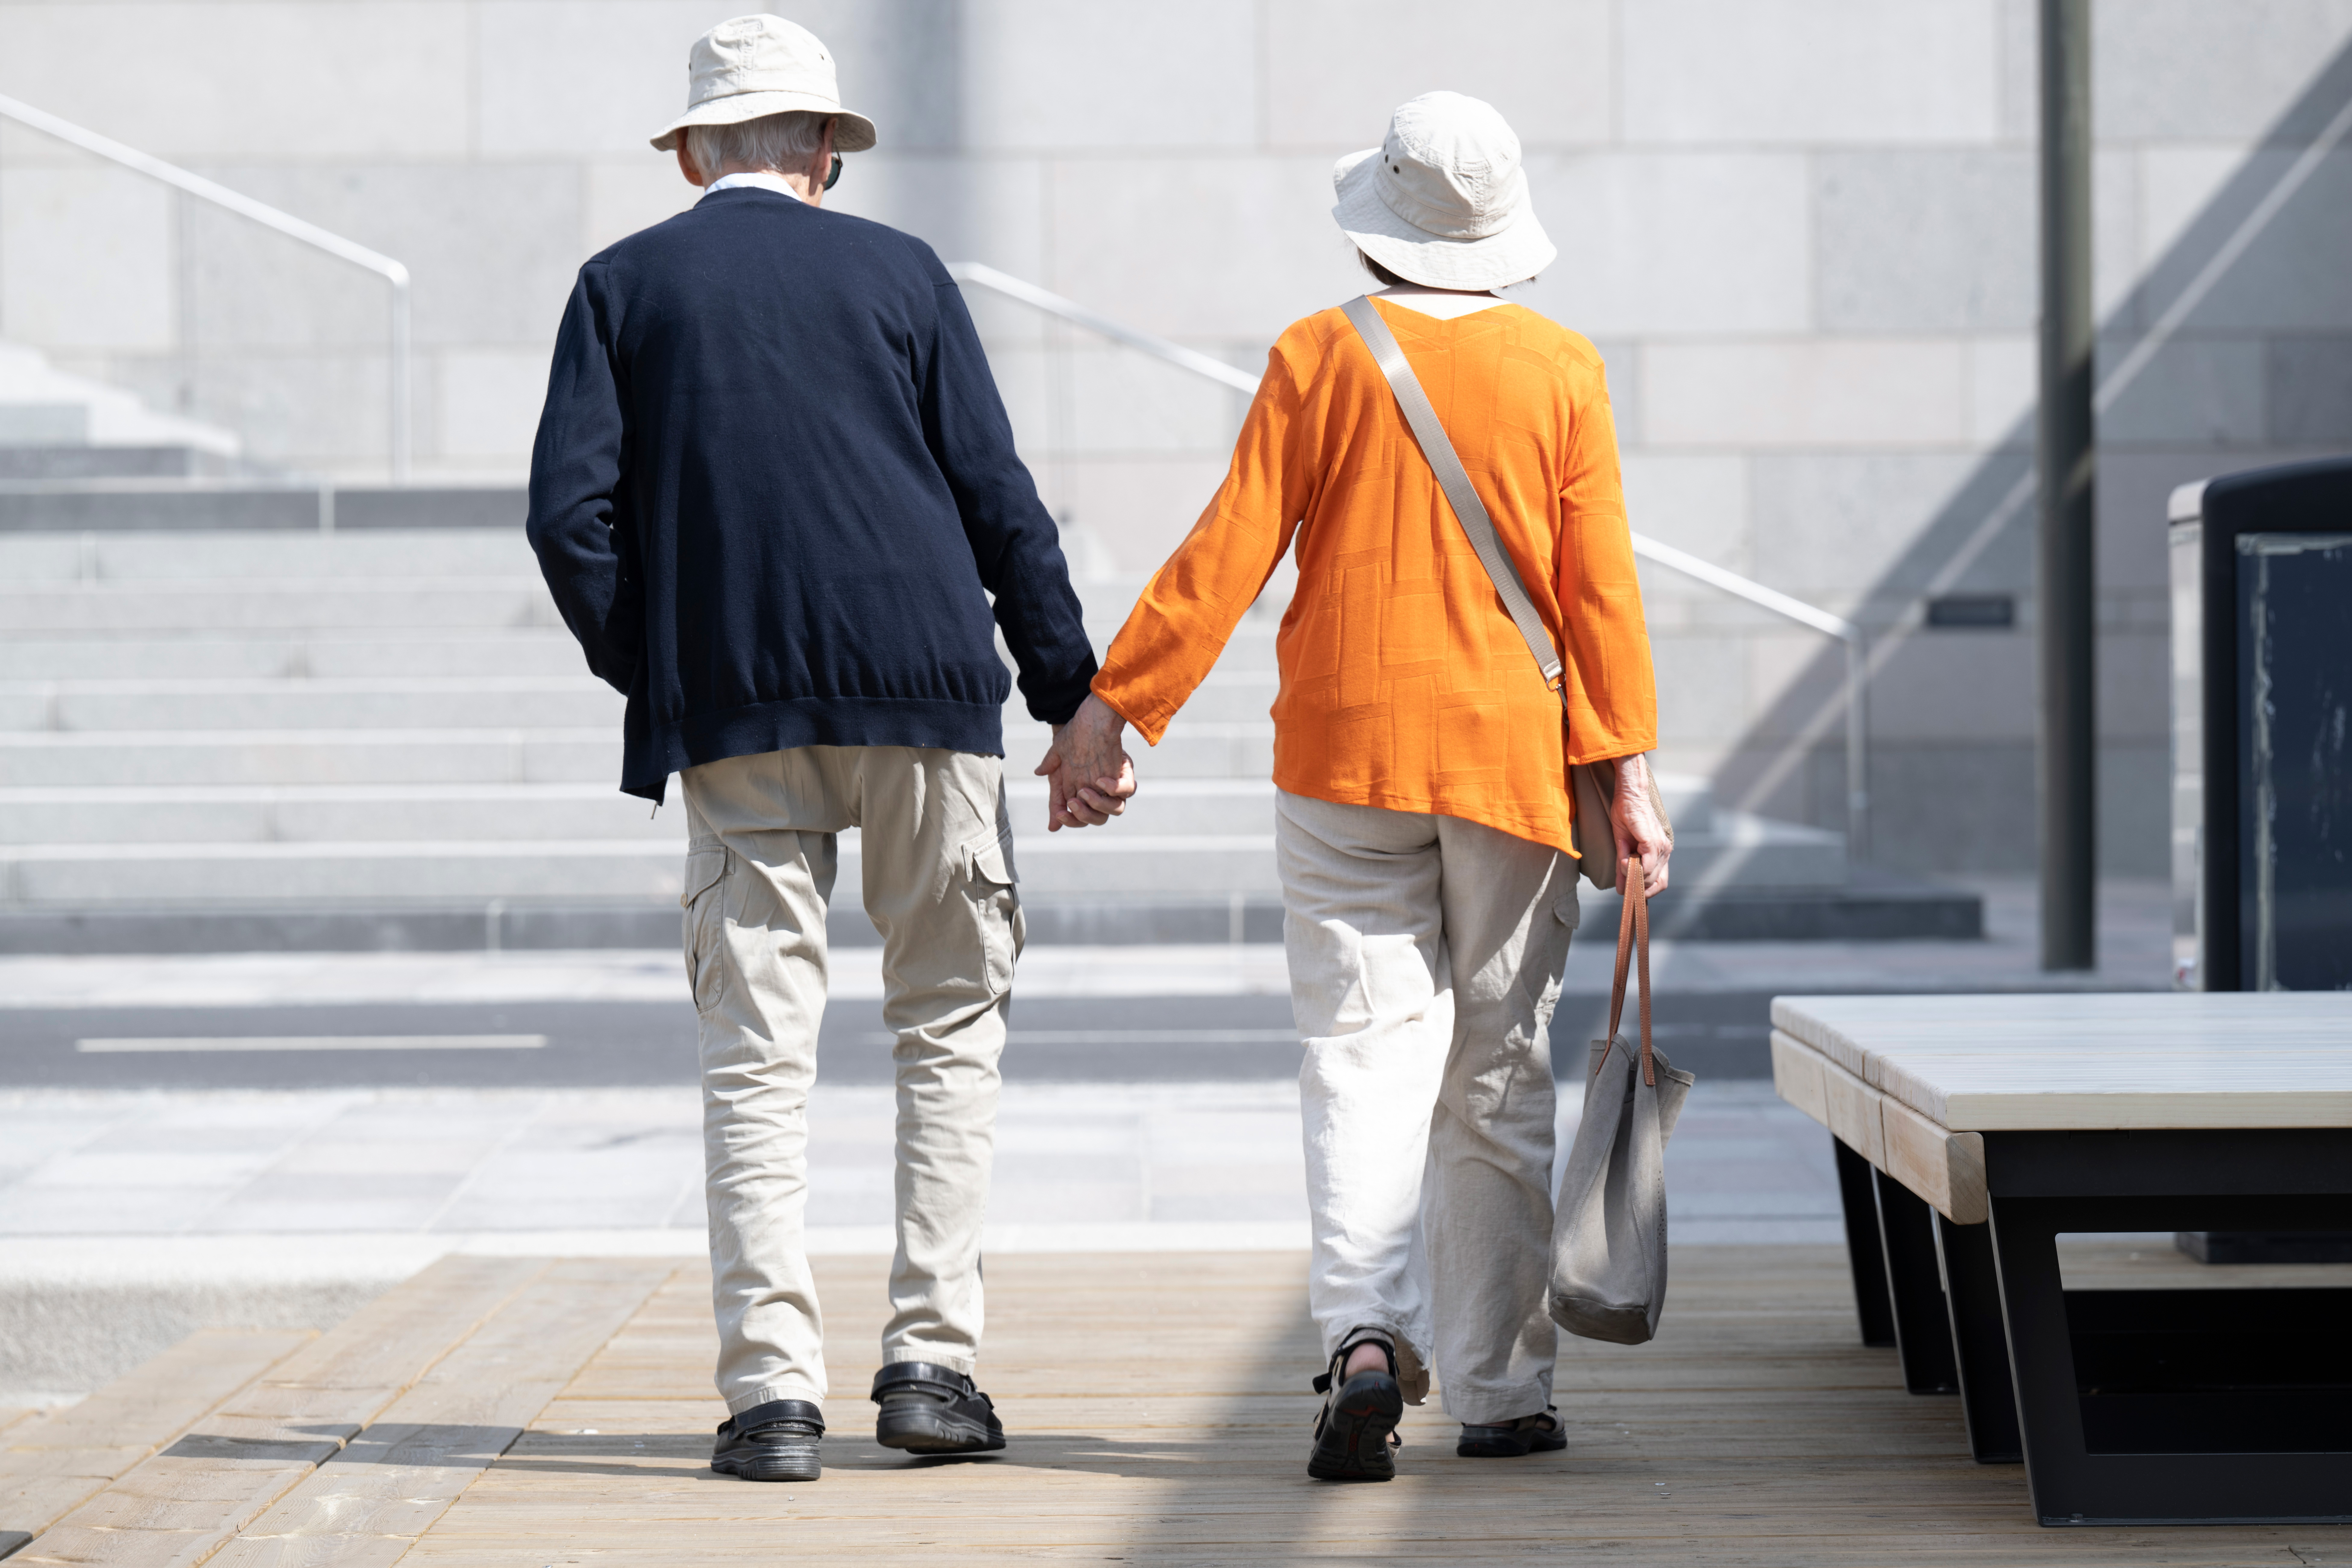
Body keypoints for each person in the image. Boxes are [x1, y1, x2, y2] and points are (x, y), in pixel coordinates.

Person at [526, 14, 1128, 1485]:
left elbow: (568, 518)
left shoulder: (621, 285)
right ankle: (931, 1365)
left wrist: (664, 667)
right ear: (820, 151)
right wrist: (1071, 698)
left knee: (755, 1056)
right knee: (948, 1029)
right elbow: (998, 500)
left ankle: (772, 1397)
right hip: (926, 694)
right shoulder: (905, 274)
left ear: (691, 155)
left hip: (737, 715)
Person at [1053, 91, 1671, 1481]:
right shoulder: (1561, 368)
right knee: (1495, 1071)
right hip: (1510, 765)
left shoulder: (1316, 355)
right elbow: (1601, 594)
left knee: (1357, 1057)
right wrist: (1629, 776)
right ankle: (1501, 1389)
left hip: (1342, 755)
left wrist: (1114, 709)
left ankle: (1365, 1338)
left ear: (1380, 226)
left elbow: (1226, 552)